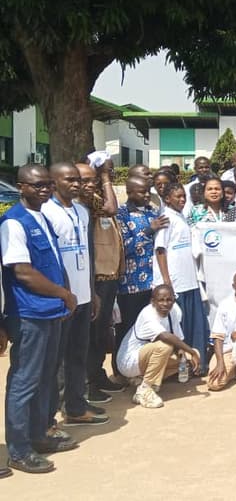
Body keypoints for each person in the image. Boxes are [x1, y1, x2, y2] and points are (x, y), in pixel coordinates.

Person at [1, 164, 79, 473]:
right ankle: (19, 450)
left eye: (47, 184)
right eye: (37, 185)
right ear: (21, 187)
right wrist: (63, 294)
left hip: (51, 313)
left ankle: (39, 435)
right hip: (29, 314)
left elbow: (53, 262)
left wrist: (64, 294)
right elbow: (23, 272)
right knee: (25, 381)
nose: (44, 190)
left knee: (46, 378)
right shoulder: (13, 223)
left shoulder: (43, 216)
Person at [42, 163, 109, 427]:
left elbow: (88, 254)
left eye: (78, 180)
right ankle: (51, 414)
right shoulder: (46, 213)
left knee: (77, 355)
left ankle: (76, 407)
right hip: (60, 300)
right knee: (55, 360)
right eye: (69, 179)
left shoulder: (82, 211)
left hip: (83, 297)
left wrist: (91, 292)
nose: (76, 184)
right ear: (53, 181)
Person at [76, 161, 125, 401]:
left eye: (92, 180)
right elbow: (111, 207)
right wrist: (104, 177)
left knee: (100, 332)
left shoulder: (90, 199)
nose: (89, 184)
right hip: (95, 277)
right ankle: (86, 383)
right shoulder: (85, 202)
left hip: (110, 274)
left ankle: (96, 375)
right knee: (90, 334)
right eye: (86, 179)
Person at [115, 176, 169, 376]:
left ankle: (145, 370)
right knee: (127, 329)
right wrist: (148, 230)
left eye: (148, 191)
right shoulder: (121, 215)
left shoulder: (152, 212)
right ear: (129, 192)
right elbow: (123, 248)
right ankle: (121, 371)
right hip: (129, 285)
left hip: (151, 283)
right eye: (141, 191)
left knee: (149, 328)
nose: (147, 195)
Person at [154, 183, 210, 374]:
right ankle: (181, 367)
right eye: (177, 196)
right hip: (176, 282)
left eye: (183, 196)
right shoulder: (166, 218)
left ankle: (198, 364)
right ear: (167, 199)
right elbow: (160, 250)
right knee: (181, 326)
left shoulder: (181, 217)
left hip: (190, 281)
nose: (182, 199)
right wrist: (166, 280)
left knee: (195, 325)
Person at [116, 285, 201, 408]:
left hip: (146, 358)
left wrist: (185, 355)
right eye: (161, 300)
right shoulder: (147, 314)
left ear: (173, 300)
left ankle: (139, 379)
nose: (165, 304)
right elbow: (166, 337)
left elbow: (178, 338)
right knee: (165, 347)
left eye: (169, 300)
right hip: (129, 361)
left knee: (187, 359)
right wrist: (191, 351)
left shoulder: (174, 311)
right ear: (153, 301)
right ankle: (145, 390)